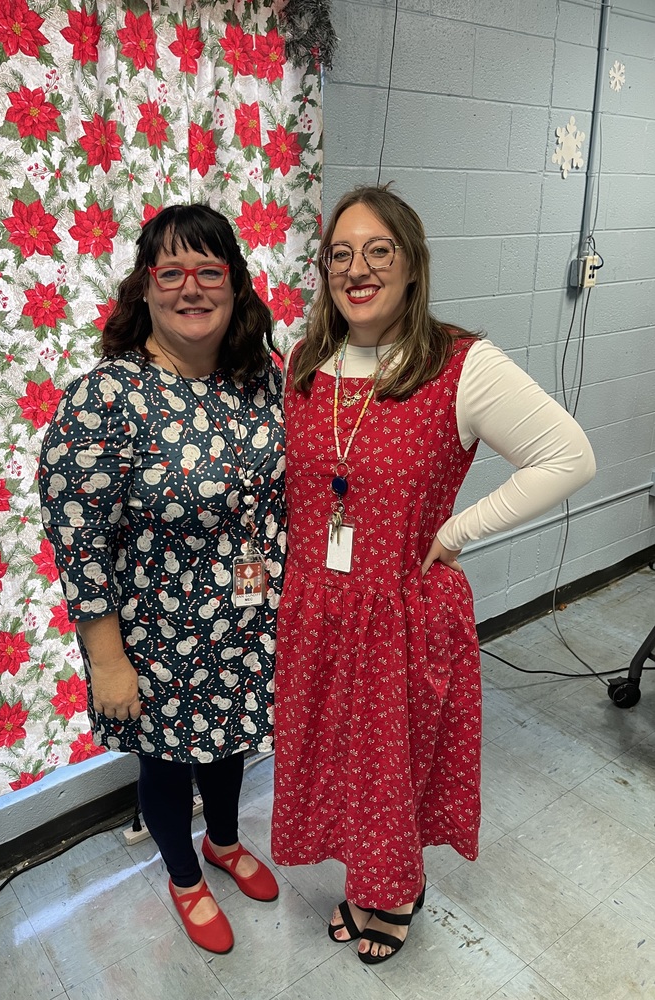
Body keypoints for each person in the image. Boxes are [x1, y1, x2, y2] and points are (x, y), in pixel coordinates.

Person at [271, 185, 595, 965]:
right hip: (317, 604)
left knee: (390, 767)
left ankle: (392, 892)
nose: (358, 269)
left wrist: (458, 530)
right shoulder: (306, 356)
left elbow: (570, 456)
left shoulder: (460, 364)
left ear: (412, 266)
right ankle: (368, 873)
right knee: (340, 757)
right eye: (340, 254)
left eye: (378, 251)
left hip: (400, 610)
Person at [39, 204, 286, 955]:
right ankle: (184, 875)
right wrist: (106, 661)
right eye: (170, 271)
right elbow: (76, 537)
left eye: (208, 270)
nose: (190, 287)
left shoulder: (261, 381)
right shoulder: (108, 397)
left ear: (236, 285)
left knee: (229, 743)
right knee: (170, 756)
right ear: (143, 289)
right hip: (156, 638)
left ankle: (222, 840)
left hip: (244, 623)